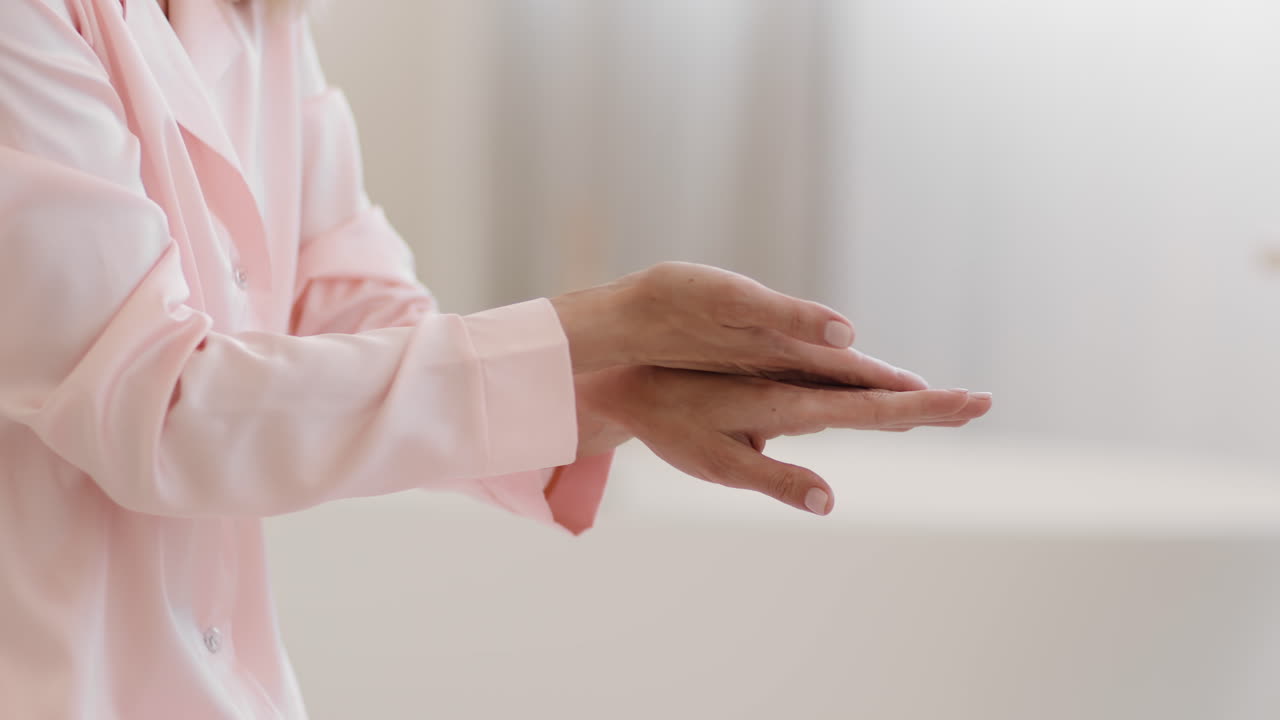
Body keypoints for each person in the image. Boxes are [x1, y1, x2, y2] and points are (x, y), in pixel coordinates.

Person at [0, 0, 992, 717]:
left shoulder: (264, 21)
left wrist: (613, 395)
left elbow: (347, 302)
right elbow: (157, 405)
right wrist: (594, 328)